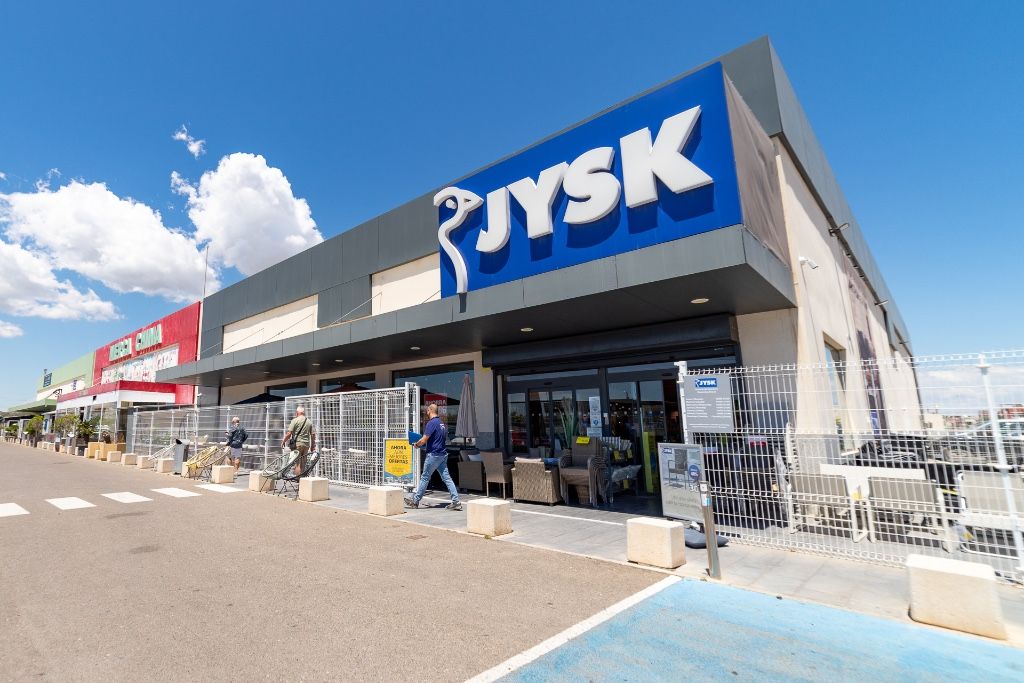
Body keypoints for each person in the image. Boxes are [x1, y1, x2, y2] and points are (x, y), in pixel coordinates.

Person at [405, 404, 461, 510]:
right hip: (442, 455)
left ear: (430, 410)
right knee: (447, 478)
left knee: (425, 477)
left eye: (427, 410)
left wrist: (416, 444)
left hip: (433, 455)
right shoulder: (441, 423)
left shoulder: (431, 423)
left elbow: (424, 439)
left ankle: (415, 501)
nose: (426, 412)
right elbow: (438, 439)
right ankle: (456, 501)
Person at [281, 406, 314, 475]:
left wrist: (283, 441)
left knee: (297, 463)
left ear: (297, 412)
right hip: (306, 445)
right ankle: (302, 479)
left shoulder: (295, 420)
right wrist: (312, 446)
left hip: (297, 444)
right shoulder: (309, 421)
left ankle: (297, 479)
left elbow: (289, 433)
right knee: (303, 463)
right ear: (303, 412)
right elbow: (313, 434)